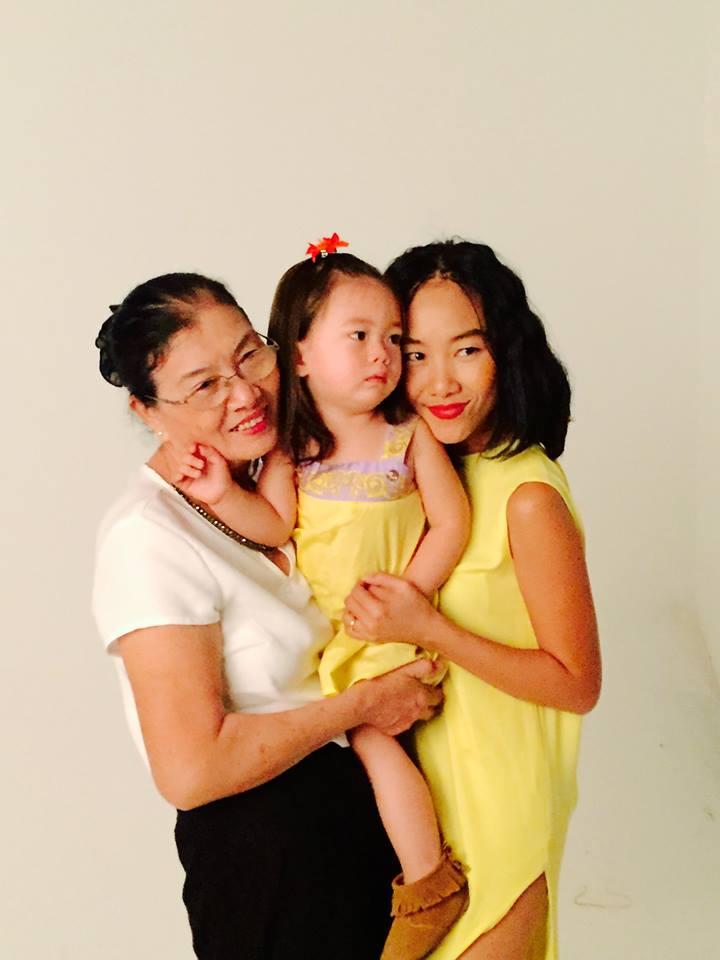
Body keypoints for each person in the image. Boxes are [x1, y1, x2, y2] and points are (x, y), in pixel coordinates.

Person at [91, 272, 442, 960]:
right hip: (270, 861)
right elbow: (191, 770)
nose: (245, 394)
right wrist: (364, 705)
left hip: (353, 836)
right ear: (147, 410)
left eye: (249, 355)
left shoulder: (273, 486)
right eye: (204, 385)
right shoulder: (147, 537)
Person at [171, 241, 471, 960]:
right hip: (327, 643)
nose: (382, 356)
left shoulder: (408, 436)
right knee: (352, 755)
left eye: (393, 339)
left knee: (375, 740)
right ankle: (406, 874)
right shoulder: (293, 448)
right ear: (299, 356)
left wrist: (409, 598)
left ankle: (428, 881)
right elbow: (273, 525)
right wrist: (219, 492)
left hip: (389, 627)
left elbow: (451, 521)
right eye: (358, 336)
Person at [344, 240, 602, 960]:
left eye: (466, 349)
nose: (440, 381)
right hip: (419, 821)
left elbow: (578, 683)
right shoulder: (427, 476)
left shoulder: (526, 496)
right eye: (416, 354)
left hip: (500, 816)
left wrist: (431, 627)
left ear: (505, 354)